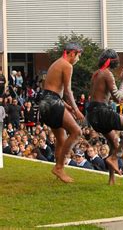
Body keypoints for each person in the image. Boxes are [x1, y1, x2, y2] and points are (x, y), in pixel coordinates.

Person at [86, 49, 123, 185]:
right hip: (101, 111)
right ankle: (114, 158)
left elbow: (112, 96)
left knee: (114, 143)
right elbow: (117, 97)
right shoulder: (107, 74)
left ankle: (111, 179)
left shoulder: (96, 74)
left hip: (92, 114)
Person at [39, 42, 84, 183]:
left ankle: (59, 170)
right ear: (72, 53)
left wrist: (66, 106)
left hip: (46, 103)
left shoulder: (56, 63)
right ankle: (59, 167)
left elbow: (52, 91)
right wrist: (76, 110)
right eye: (78, 56)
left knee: (61, 139)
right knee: (77, 132)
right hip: (53, 103)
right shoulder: (67, 65)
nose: (78, 59)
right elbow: (68, 91)